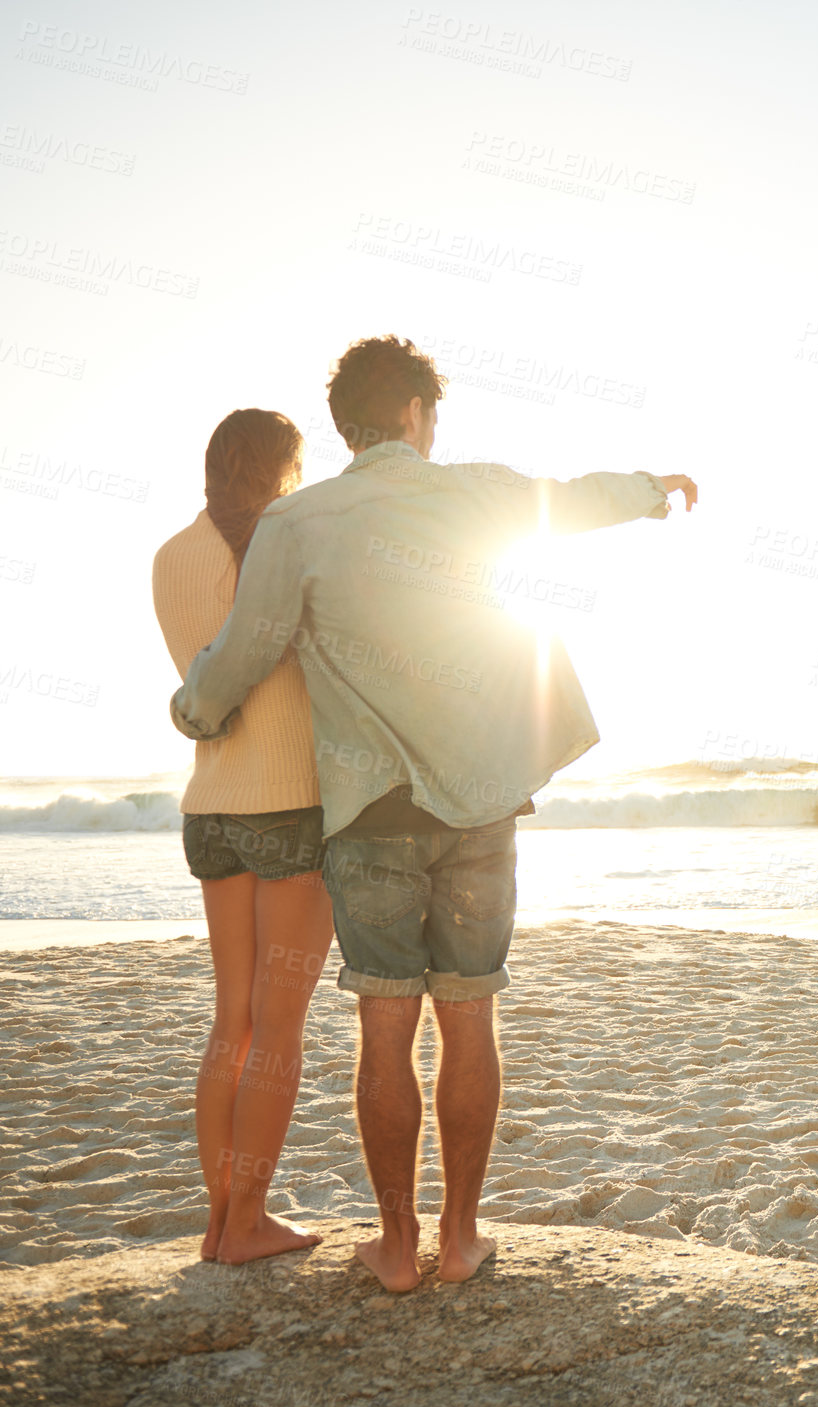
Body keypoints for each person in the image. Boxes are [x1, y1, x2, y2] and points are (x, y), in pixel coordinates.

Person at [170, 336, 698, 1291]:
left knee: (385, 1029)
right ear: (415, 414)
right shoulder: (476, 492)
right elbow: (570, 500)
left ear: (348, 424)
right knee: (470, 1021)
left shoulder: (297, 522)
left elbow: (245, 651)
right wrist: (652, 487)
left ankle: (397, 1247)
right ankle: (460, 1238)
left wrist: (193, 711)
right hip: (481, 805)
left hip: (369, 812)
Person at [153, 409, 335, 1265]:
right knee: (279, 1025)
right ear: (285, 468)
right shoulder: (288, 543)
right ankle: (249, 1223)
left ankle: (221, 1218)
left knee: (232, 1020)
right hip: (291, 802)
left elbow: (201, 678)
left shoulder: (169, 555)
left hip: (211, 806)